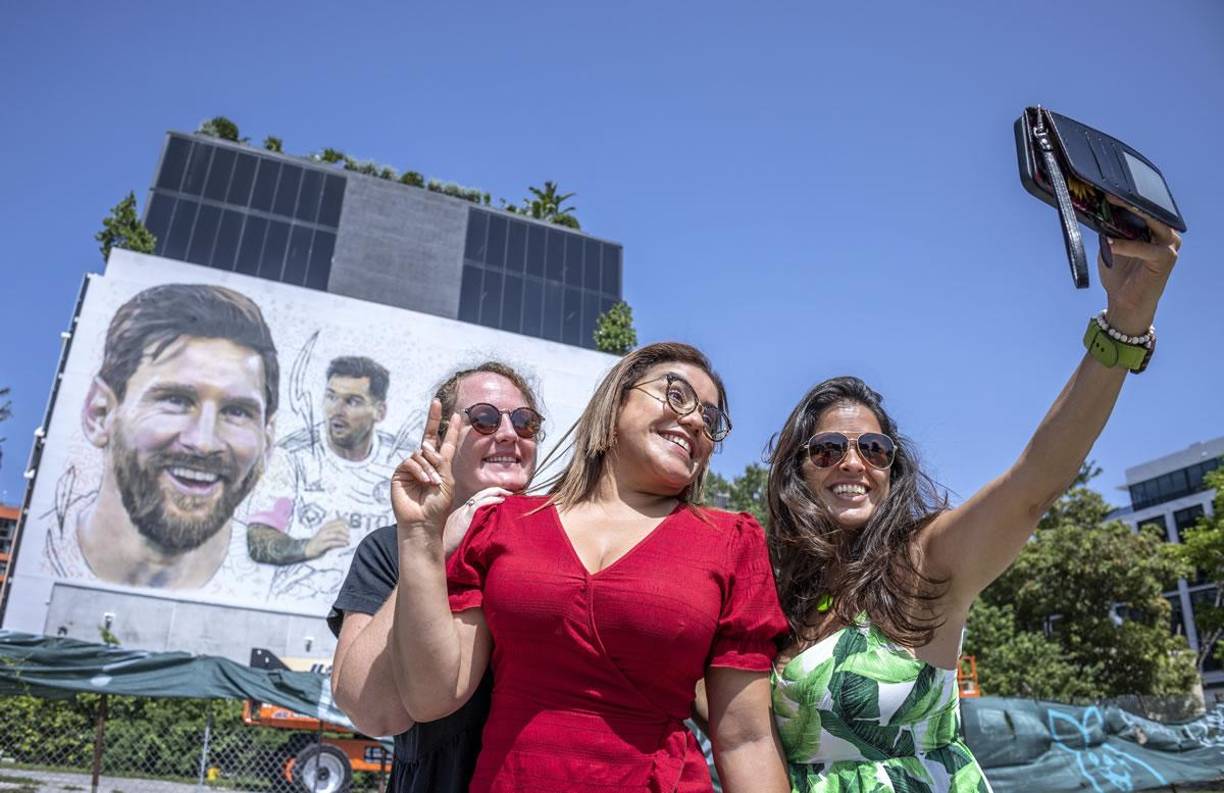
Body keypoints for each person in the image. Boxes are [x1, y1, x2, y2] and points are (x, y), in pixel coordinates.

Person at [766, 216, 1180, 792]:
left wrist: (1123, 326)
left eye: (874, 449)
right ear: (799, 469)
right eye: (829, 449)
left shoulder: (922, 561)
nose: (853, 463)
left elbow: (1032, 483)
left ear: (891, 470)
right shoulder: (780, 593)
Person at [390, 342, 792, 793]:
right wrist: (420, 537)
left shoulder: (732, 541)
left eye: (711, 419)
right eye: (676, 395)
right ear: (616, 402)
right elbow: (431, 697)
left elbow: (746, 739)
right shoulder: (502, 524)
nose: (697, 421)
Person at [328, 362, 544, 793]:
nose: (508, 433)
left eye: (525, 422)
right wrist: (428, 545)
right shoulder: (388, 549)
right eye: (484, 418)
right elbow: (371, 712)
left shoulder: (558, 543)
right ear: (443, 437)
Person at [42, 283, 279, 590]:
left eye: (236, 411)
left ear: (267, 442)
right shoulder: (35, 557)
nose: (203, 443)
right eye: (176, 400)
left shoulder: (292, 586)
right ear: (99, 414)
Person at [244, 355, 411, 601]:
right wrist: (308, 547)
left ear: (380, 411)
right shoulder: (293, 455)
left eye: (352, 401)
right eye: (331, 397)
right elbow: (257, 538)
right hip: (299, 601)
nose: (336, 410)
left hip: (374, 609)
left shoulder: (402, 460)